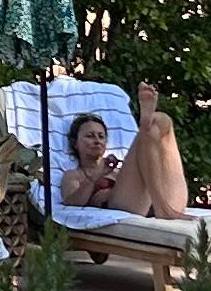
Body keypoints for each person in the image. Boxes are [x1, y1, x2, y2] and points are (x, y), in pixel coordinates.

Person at [53, 87, 192, 220]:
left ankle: (162, 205)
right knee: (147, 131)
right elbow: (72, 203)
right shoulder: (74, 175)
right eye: (90, 136)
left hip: (162, 200)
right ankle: (162, 208)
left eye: (101, 136)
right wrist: (95, 177)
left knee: (161, 120)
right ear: (75, 143)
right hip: (125, 206)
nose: (97, 141)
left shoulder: (119, 171)